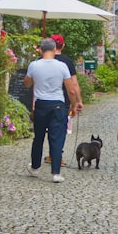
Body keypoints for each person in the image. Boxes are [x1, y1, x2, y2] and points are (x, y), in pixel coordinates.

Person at [23, 38, 81, 183]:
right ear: (55, 49)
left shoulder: (34, 65)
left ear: (41, 50)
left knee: (39, 137)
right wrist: (73, 106)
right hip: (58, 105)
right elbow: (71, 90)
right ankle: (56, 172)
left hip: (41, 104)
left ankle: (35, 166)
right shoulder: (62, 66)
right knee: (56, 138)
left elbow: (27, 83)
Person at [44, 34, 83, 166]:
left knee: (49, 128)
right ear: (63, 45)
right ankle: (57, 155)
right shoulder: (67, 61)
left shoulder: (43, 59)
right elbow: (74, 84)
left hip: (44, 99)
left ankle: (51, 154)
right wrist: (78, 101)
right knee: (60, 129)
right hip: (63, 100)